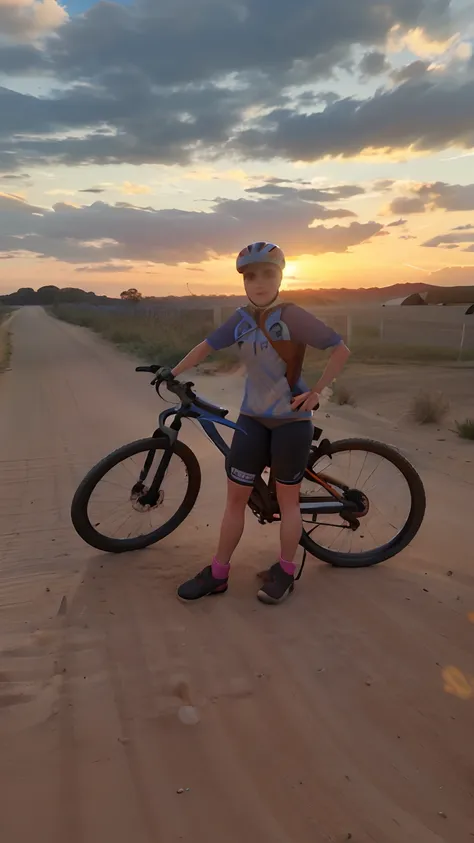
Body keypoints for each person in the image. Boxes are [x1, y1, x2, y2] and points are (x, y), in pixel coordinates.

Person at [170, 241, 350, 605]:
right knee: (235, 499)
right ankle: (218, 573)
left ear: (280, 276)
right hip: (251, 419)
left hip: (291, 422)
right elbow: (205, 347)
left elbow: (340, 348)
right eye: (251, 276)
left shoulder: (293, 316)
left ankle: (285, 571)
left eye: (268, 273)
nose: (259, 282)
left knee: (288, 501)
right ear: (244, 282)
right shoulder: (241, 319)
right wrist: (170, 371)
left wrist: (315, 391)